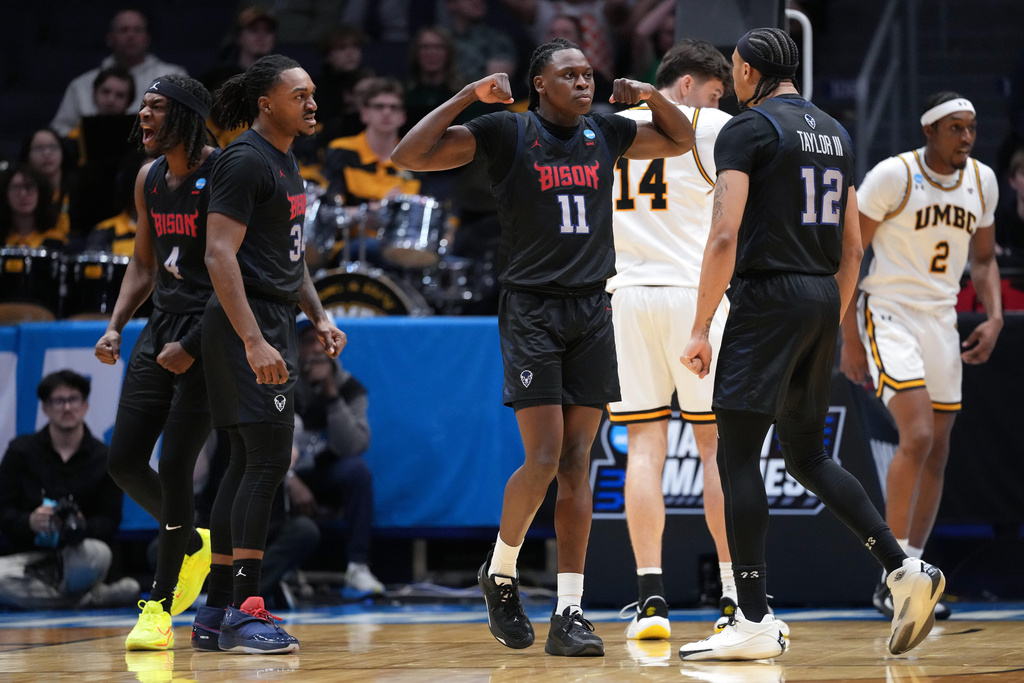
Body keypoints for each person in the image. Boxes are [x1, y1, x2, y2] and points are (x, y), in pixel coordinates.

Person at [392, 36, 694, 656]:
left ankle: (569, 612)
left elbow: (682, 139)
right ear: (540, 86)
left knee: (580, 461)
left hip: (592, 307)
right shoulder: (506, 132)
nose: (585, 83)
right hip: (532, 309)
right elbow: (409, 153)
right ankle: (500, 572)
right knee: (546, 457)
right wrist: (468, 96)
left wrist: (648, 95)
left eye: (589, 74)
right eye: (570, 75)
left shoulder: (607, 132)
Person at [676, 27, 946, 662]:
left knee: (738, 456)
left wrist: (699, 326)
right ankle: (904, 568)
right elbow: (853, 245)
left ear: (748, 71)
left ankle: (753, 618)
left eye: (738, 70)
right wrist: (831, 309)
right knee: (805, 455)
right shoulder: (836, 133)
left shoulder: (748, 129)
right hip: (824, 295)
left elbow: (724, 235)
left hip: (767, 297)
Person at [191, 53, 345, 655]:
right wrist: (255, 339)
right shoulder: (243, 160)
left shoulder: (286, 161)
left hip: (271, 315)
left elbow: (291, 256)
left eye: (313, 94)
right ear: (265, 103)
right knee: (265, 462)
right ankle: (246, 609)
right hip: (245, 322)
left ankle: (216, 611)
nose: (312, 103)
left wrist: (319, 314)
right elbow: (218, 255)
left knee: (244, 461)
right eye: (299, 94)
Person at [840, 91, 1002, 622]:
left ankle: (908, 569)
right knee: (918, 434)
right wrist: (848, 337)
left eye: (972, 128)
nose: (967, 138)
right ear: (929, 130)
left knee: (938, 448)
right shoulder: (894, 175)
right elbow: (851, 254)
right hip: (887, 311)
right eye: (956, 128)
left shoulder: (982, 181)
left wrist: (995, 316)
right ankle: (896, 573)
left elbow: (982, 262)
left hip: (940, 318)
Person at [606, 39, 735, 641]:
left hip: (628, 295)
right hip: (692, 296)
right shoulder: (710, 126)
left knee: (643, 449)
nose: (718, 103)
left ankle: (650, 598)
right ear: (685, 86)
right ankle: (736, 597)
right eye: (713, 91)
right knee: (716, 449)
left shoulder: (609, 129)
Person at [94, 74, 220, 651]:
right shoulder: (149, 178)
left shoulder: (221, 173)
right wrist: (117, 324)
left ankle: (160, 606)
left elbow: (237, 273)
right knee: (122, 461)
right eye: (142, 108)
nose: (142, 117)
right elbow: (143, 267)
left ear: (188, 117)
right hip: (158, 327)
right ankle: (193, 545)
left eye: (156, 108)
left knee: (174, 468)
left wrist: (192, 344)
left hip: (211, 331)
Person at [0, 370, 140, 610]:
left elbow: (110, 520)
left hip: (78, 556)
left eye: (73, 399)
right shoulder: (21, 452)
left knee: (99, 553)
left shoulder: (103, 457)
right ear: (45, 408)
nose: (67, 407)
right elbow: (2, 510)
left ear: (85, 406)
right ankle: (88, 600)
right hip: (29, 558)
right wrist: (30, 521)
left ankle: (46, 598)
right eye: (58, 400)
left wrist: (81, 525)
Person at [293, 313, 383, 596]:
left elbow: (354, 445)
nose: (318, 349)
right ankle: (283, 570)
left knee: (357, 471)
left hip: (324, 472)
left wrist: (332, 395)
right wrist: (290, 479)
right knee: (262, 479)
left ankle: (358, 567)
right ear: (294, 347)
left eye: (322, 340)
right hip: (287, 474)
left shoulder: (349, 387)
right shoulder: (278, 380)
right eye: (308, 341)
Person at [51, 9, 188, 137]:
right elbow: (59, 130)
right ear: (110, 38)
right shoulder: (81, 85)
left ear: (147, 38)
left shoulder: (174, 78)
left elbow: (189, 123)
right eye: (124, 30)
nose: (131, 35)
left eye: (137, 30)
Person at [324, 77, 422, 207]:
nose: (386, 112)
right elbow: (328, 210)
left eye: (394, 107)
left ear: (403, 116)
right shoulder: (341, 150)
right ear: (364, 113)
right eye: (378, 106)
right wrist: (378, 209)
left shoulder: (414, 159)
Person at [202, 7, 279, 95]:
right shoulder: (218, 78)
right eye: (254, 30)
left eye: (268, 30)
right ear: (238, 37)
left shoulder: (283, 80)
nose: (261, 36)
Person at [0, 164, 65, 249]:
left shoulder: (55, 240)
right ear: (5, 195)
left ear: (40, 193)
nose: (23, 194)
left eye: (29, 187)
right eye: (15, 187)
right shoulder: (2, 239)